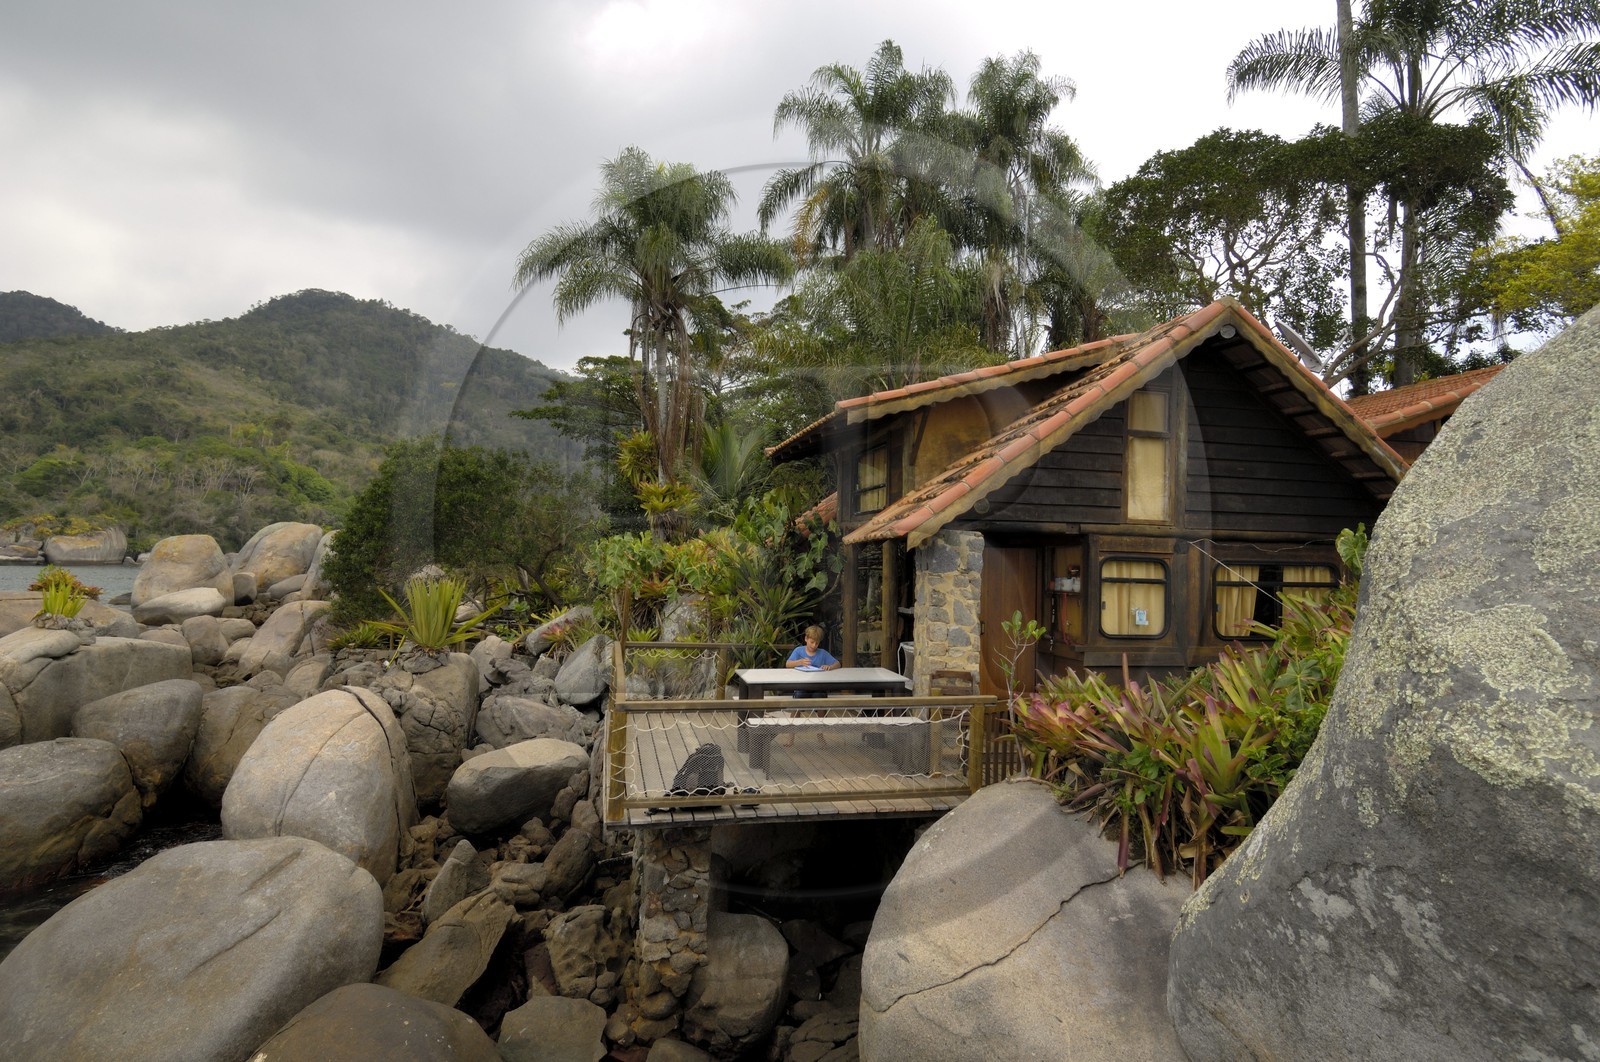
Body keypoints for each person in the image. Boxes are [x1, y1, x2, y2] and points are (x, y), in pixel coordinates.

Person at [781, 625, 838, 746]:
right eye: (812, 642)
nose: (814, 646)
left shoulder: (822, 653)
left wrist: (830, 667)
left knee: (821, 704)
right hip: (802, 686)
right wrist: (799, 662)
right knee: (797, 705)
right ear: (806, 639)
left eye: (817, 643)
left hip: (818, 687)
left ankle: (820, 735)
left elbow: (837, 663)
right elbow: (788, 664)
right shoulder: (799, 651)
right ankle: (790, 736)